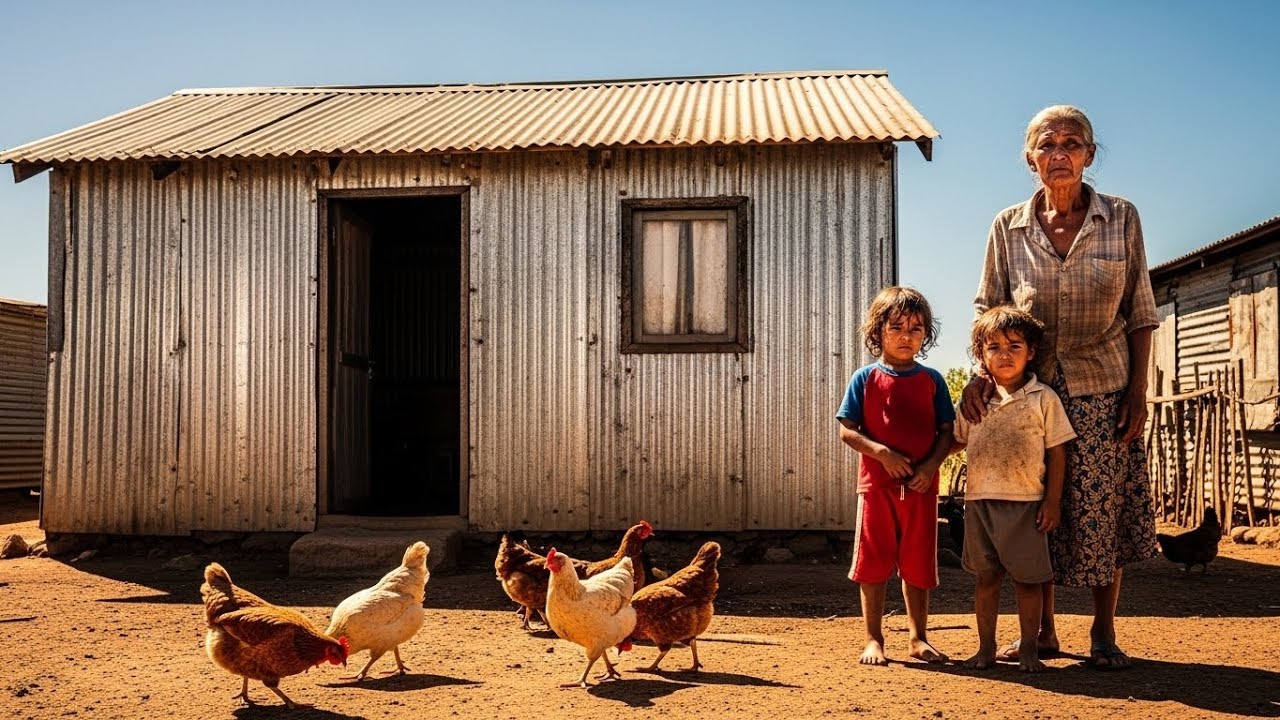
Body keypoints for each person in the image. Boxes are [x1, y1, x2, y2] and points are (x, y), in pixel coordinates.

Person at [961, 105, 1160, 670]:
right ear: (1031, 159)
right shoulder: (1008, 226)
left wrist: (1137, 391)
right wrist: (981, 375)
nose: (1060, 154)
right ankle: (1044, 631)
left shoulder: (1121, 217)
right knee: (1035, 510)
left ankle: (1103, 631)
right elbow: (988, 307)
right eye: (1047, 145)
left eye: (1072, 144)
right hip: (1031, 392)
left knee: (1101, 510)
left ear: (1090, 155)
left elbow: (1140, 311)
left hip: (1104, 388)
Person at [951, 306, 1076, 673]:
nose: (1004, 355)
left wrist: (1052, 501)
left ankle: (1029, 650)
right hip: (979, 504)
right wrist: (924, 465)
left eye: (1014, 346)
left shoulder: (1043, 399)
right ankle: (985, 648)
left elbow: (1057, 452)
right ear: (980, 354)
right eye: (994, 347)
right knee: (986, 578)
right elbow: (956, 440)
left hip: (1026, 505)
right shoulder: (974, 402)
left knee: (1028, 581)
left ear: (1031, 351)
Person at [837, 286, 954, 666]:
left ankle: (919, 638)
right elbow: (847, 430)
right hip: (876, 488)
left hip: (921, 488)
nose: (906, 336)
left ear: (926, 335)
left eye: (916, 329)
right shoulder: (865, 378)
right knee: (873, 562)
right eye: (897, 327)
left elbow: (947, 432)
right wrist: (882, 454)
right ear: (878, 331)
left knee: (918, 563)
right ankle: (873, 639)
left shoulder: (932, 380)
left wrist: (930, 466)